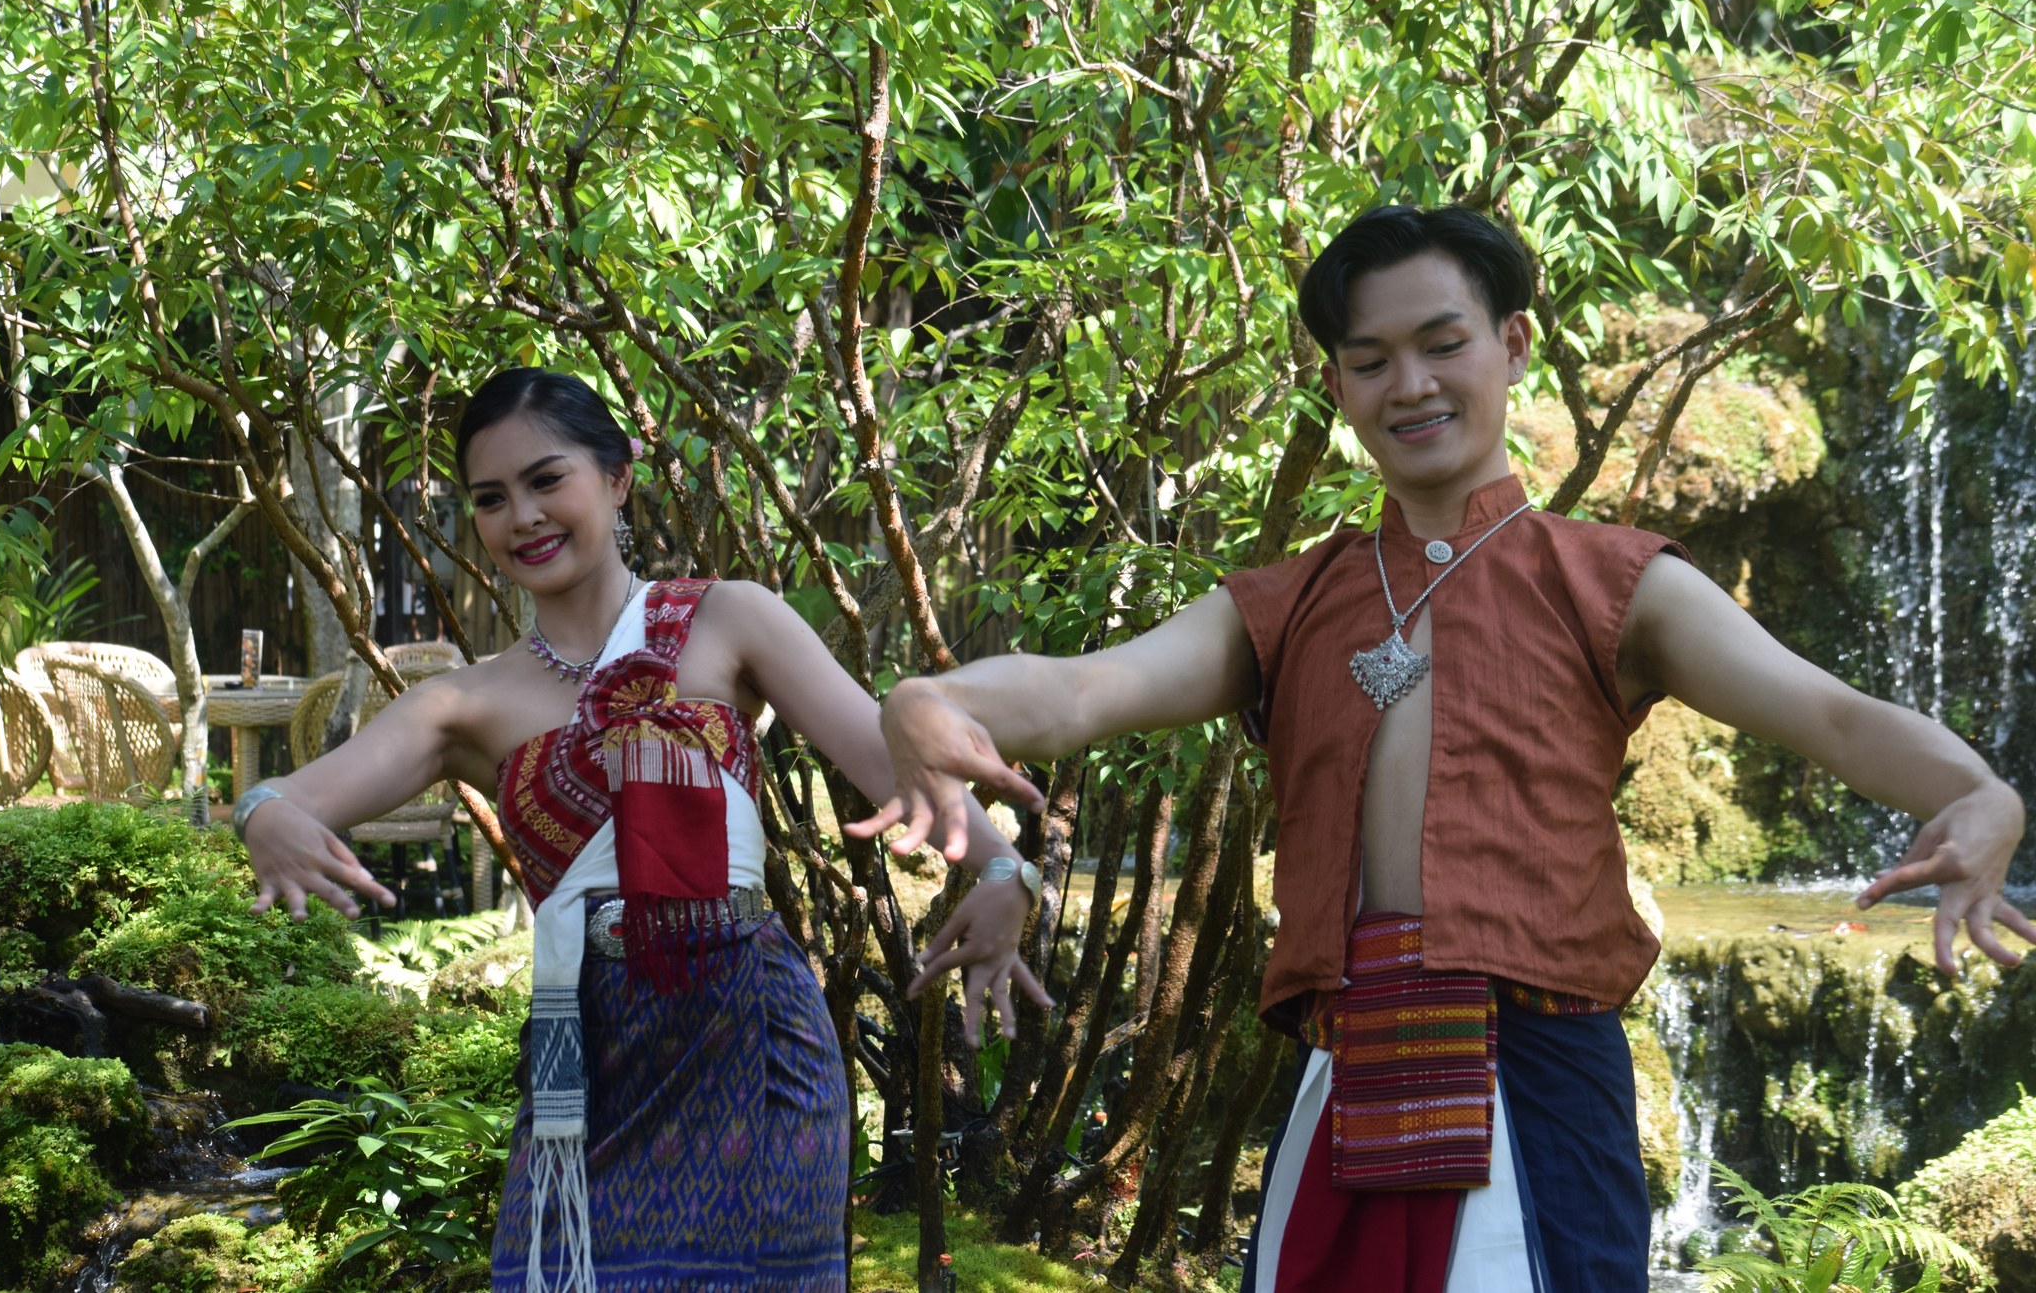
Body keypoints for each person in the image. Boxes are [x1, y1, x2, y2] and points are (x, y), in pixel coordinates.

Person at [846, 206, 2036, 1291]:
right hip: (1343, 1074)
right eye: (1368, 361)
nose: (1408, 384)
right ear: (1336, 385)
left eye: (1441, 343)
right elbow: (1080, 688)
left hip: (1540, 1075)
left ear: (1512, 345)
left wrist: (1975, 792)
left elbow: (1829, 714)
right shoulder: (1284, 604)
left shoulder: (1613, 583)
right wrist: (930, 698)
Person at [234, 367, 1050, 1293]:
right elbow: (286, 797)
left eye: (547, 479)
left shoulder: (727, 618)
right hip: (588, 1054)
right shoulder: (463, 705)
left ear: (618, 476)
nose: (522, 517)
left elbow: (884, 755)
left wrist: (1003, 872)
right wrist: (263, 817)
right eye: (491, 499)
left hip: (755, 1038)